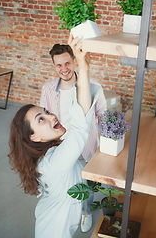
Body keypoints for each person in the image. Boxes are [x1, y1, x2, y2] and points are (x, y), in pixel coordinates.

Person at [8, 35, 102, 238]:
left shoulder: (47, 154)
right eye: (41, 120)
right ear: (34, 137)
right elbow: (79, 127)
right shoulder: (55, 162)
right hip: (51, 231)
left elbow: (94, 119)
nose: (51, 116)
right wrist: (84, 69)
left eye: (45, 112)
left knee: (86, 185)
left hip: (48, 210)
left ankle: (87, 213)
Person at [40, 39, 106, 233]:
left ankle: (85, 213)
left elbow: (102, 117)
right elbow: (44, 121)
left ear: (75, 62)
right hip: (61, 147)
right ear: (54, 66)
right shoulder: (48, 89)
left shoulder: (93, 86)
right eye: (59, 65)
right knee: (67, 184)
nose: (64, 68)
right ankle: (69, 213)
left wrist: (104, 149)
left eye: (67, 63)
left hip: (86, 146)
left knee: (87, 186)